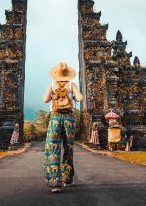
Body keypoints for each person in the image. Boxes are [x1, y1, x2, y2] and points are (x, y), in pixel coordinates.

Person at [43, 62, 83, 193]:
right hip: (69, 119)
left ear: (56, 74)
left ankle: (54, 183)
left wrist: (53, 96)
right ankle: (67, 179)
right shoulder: (72, 85)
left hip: (55, 117)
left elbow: (45, 100)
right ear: (68, 74)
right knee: (68, 147)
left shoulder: (52, 85)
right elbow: (80, 98)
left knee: (52, 147)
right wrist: (73, 96)